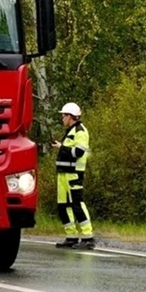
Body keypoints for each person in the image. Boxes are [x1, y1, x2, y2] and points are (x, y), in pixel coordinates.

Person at [51, 102, 94, 249]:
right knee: (63, 206)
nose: (62, 118)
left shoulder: (80, 131)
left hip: (74, 175)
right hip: (63, 174)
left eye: (64, 116)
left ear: (70, 116)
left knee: (77, 204)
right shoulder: (71, 131)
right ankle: (71, 237)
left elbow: (79, 152)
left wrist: (61, 147)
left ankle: (88, 238)